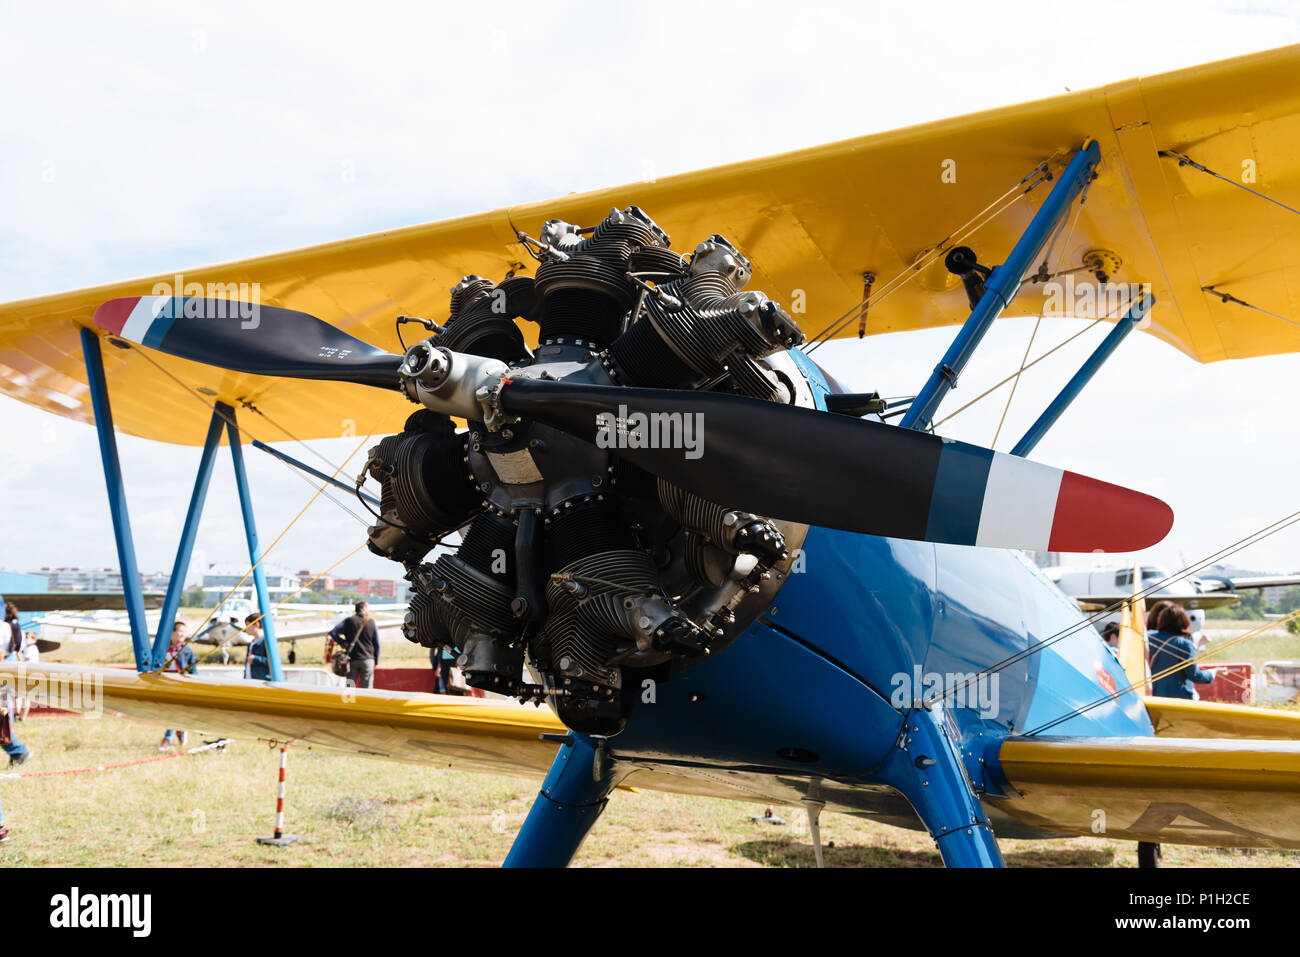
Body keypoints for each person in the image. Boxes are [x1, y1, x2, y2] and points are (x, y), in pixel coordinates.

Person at [1148, 603, 1215, 699]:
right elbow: (1195, 675)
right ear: (1184, 621)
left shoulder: (1148, 638)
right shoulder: (1185, 644)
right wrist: (1212, 673)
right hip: (1179, 698)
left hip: (1154, 696)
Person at [159, 621, 197, 750]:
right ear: (172, 633)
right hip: (165, 684)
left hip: (181, 685)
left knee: (174, 712)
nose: (183, 634)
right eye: (180, 631)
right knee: (168, 712)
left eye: (185, 632)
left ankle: (167, 740)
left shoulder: (186, 649)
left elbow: (193, 669)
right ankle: (180, 730)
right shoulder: (162, 648)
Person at [329, 601, 380, 689]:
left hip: (352, 660)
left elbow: (333, 632)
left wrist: (342, 642)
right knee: (367, 688)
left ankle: (349, 702)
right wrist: (376, 660)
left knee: (350, 686)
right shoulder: (371, 622)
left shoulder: (349, 621)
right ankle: (365, 702)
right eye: (368, 608)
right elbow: (377, 644)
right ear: (364, 609)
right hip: (368, 660)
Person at [243, 614, 273, 680]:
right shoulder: (251, 643)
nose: (245, 628)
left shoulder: (266, 642)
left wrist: (255, 659)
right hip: (249, 681)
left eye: (247, 625)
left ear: (257, 624)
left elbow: (272, 661)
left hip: (261, 682)